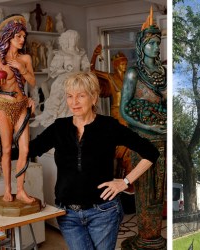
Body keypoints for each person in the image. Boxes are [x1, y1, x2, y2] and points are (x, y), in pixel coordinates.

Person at [24, 71, 159, 250]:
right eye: (70, 96)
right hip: (67, 214)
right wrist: (24, 118)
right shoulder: (59, 127)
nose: (74, 102)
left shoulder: (109, 126)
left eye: (81, 95)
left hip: (104, 212)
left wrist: (125, 182)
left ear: (94, 97)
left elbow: (151, 152)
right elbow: (26, 151)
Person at [120, 7, 167, 249]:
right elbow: (124, 111)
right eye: (150, 43)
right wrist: (148, 128)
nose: (155, 47)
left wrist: (164, 127)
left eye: (158, 43)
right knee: (145, 189)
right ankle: (145, 237)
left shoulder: (164, 73)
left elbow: (168, 104)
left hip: (162, 139)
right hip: (141, 139)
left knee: (159, 190)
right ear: (141, 46)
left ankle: (154, 237)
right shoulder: (132, 74)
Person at [0, 14, 36, 203]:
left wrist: (22, 68)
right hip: (3, 106)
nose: (22, 40)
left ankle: (20, 190)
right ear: (9, 37)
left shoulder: (25, 58)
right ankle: (8, 189)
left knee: (25, 149)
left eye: (23, 37)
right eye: (18, 36)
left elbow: (32, 82)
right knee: (6, 149)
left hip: (21, 105)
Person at [90, 47, 134, 193]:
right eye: (122, 63)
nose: (124, 66)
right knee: (123, 146)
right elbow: (92, 71)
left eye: (125, 63)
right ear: (116, 65)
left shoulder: (129, 80)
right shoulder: (110, 77)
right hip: (118, 115)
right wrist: (95, 55)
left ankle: (128, 178)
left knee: (132, 146)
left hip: (130, 115)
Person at [30, 29, 90, 128]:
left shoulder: (81, 53)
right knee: (58, 93)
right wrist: (65, 69)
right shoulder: (61, 53)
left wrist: (85, 70)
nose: (74, 40)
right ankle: (45, 116)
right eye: (71, 38)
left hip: (79, 79)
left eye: (75, 38)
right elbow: (54, 70)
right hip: (65, 79)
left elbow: (86, 68)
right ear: (66, 40)